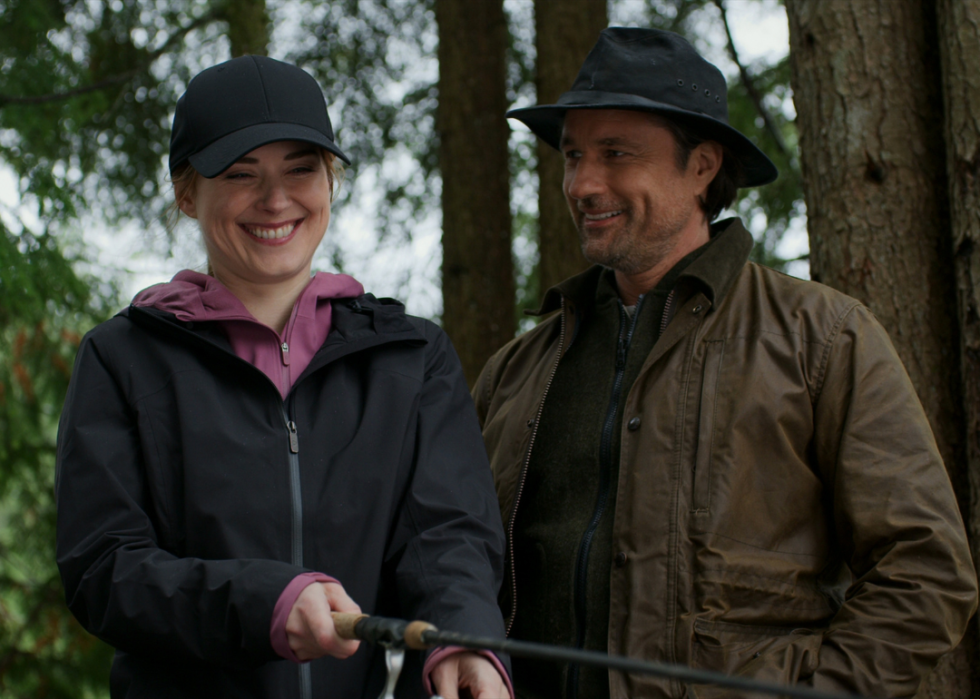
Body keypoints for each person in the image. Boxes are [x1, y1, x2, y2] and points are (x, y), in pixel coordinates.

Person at [473, 27, 978, 699]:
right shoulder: (514, 372)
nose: (583, 183)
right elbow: (450, 564)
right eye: (573, 156)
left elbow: (925, 571)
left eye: (616, 154)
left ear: (704, 165)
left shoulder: (820, 338)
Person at [56, 55, 512, 699]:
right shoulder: (121, 358)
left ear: (331, 182)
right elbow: (104, 571)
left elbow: (448, 537)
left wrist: (464, 636)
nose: (276, 200)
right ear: (187, 194)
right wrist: (261, 603)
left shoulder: (413, 357)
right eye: (241, 175)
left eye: (301, 170)